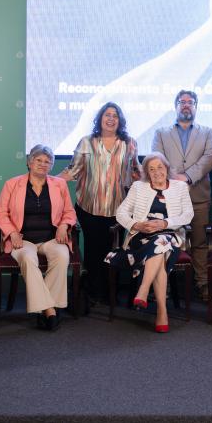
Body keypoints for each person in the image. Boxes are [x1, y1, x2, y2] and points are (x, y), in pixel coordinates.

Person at [59, 102, 140, 305]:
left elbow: (136, 171)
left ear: (119, 120)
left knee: (112, 251)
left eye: (115, 115)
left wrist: (158, 182)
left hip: (118, 210)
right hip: (89, 208)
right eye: (107, 115)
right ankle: (92, 292)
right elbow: (73, 170)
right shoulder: (86, 142)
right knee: (94, 250)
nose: (111, 118)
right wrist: (49, 181)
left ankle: (109, 292)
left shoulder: (129, 143)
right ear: (100, 119)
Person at [0, 144, 77, 331]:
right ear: (29, 162)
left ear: (51, 166)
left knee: (62, 256)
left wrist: (64, 225)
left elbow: (69, 212)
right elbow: (0, 213)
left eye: (47, 161)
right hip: (22, 239)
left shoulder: (59, 184)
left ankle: (44, 309)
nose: (42, 164)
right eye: (38, 160)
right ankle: (50, 309)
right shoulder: (12, 184)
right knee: (27, 259)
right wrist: (12, 232)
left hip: (52, 239)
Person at [109, 152, 194, 333]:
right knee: (160, 250)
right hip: (141, 237)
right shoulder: (138, 187)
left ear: (167, 168)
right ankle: (162, 311)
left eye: (160, 168)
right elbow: (121, 213)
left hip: (170, 234)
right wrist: (137, 224)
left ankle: (144, 289)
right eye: (151, 169)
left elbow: (188, 215)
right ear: (146, 172)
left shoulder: (180, 187)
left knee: (161, 241)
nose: (157, 172)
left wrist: (165, 223)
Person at [152, 90, 212, 300]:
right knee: (165, 241)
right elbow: (157, 160)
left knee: (199, 242)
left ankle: (202, 284)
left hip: (198, 196)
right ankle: (165, 285)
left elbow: (209, 159)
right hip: (167, 197)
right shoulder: (161, 133)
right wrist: (175, 181)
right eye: (182, 102)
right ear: (176, 106)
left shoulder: (207, 132)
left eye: (191, 102)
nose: (186, 105)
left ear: (196, 107)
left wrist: (187, 178)